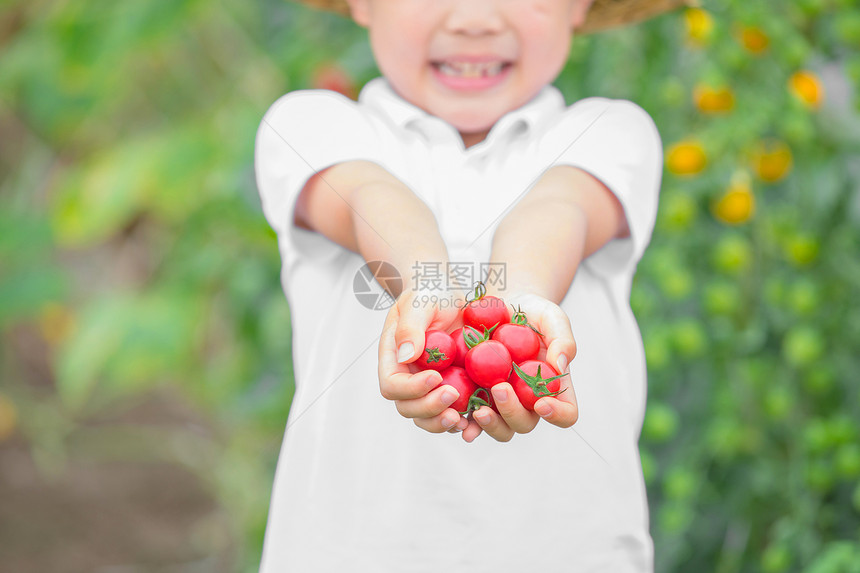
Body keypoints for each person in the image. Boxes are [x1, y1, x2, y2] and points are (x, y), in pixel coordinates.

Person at [254, 0, 683, 570]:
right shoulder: (310, 125)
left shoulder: (609, 132)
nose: (475, 18)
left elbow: (561, 208)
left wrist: (520, 301)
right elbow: (369, 198)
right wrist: (423, 287)